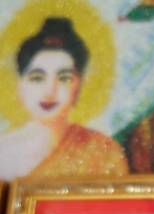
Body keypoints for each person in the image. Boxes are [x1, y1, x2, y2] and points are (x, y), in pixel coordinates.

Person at [0, 17, 129, 181]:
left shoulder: (103, 151)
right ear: (20, 85)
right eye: (37, 78)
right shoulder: (3, 150)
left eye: (64, 78)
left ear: (78, 85)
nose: (50, 91)